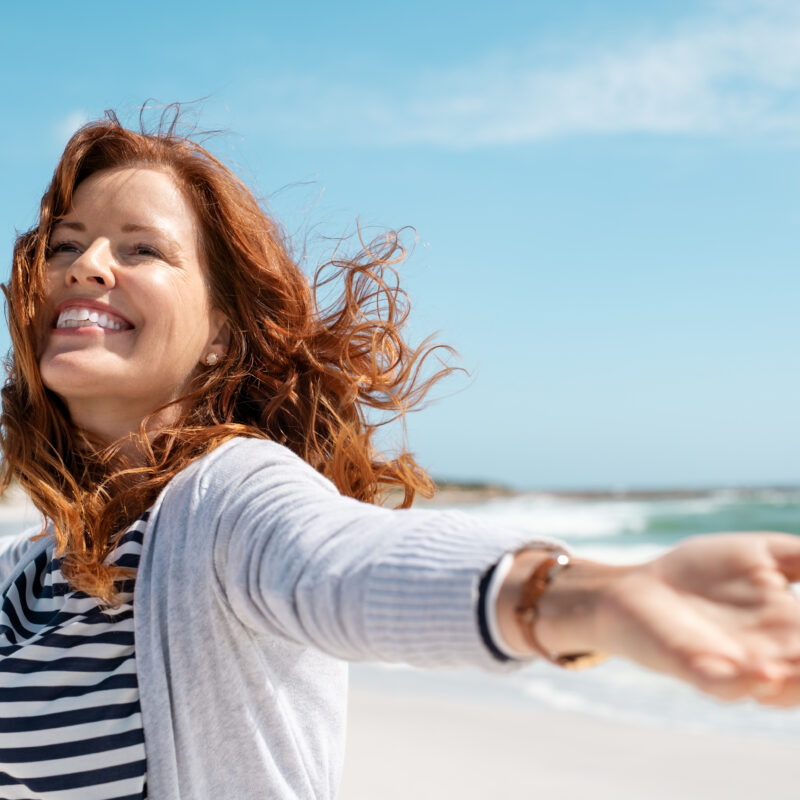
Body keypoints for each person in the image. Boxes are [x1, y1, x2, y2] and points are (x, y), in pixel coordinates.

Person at [0, 108, 798, 800]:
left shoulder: (224, 503)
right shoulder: (31, 569)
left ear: (220, 339)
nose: (86, 266)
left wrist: (580, 598)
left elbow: (345, 562)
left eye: (141, 250)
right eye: (68, 244)